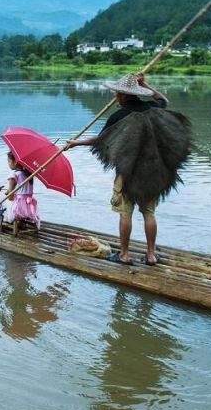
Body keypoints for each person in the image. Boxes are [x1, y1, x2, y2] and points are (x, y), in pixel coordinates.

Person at [65, 73, 167, 266]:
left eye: (117, 93)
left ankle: (125, 255)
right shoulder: (152, 109)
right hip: (152, 170)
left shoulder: (119, 116)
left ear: (123, 95)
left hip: (128, 170)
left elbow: (100, 140)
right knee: (148, 213)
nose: (115, 97)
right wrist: (146, 84)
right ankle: (151, 255)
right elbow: (162, 99)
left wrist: (76, 143)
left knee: (125, 212)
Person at [0, 151, 40, 230]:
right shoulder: (29, 175)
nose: (8, 163)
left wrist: (1, 193)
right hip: (27, 209)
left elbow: (10, 198)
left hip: (16, 210)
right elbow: (19, 192)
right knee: (1, 195)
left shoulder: (14, 176)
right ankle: (20, 221)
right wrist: (6, 192)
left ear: (15, 162)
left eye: (9, 161)